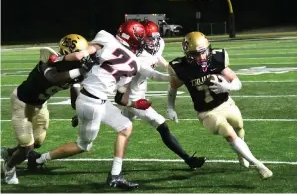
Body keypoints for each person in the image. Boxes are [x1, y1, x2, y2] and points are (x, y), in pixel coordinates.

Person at [27, 21, 168, 190]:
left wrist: (58, 58)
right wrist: (136, 101)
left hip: (93, 99)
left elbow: (80, 55)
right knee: (83, 145)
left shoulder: (106, 37)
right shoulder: (134, 63)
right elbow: (121, 97)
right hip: (93, 103)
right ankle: (38, 159)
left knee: (125, 126)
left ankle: (115, 175)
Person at [166, 31, 273, 179]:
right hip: (206, 112)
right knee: (228, 133)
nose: (202, 57)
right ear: (187, 54)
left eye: (204, 52)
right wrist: (170, 107)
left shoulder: (216, 59)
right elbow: (173, 88)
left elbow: (237, 82)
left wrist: (227, 87)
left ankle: (241, 155)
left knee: (239, 128)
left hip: (226, 103)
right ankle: (259, 165)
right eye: (196, 54)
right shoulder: (181, 67)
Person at [1, 34, 94, 185]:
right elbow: (54, 78)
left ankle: (8, 153)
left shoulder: (75, 69)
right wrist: (79, 72)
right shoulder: (49, 60)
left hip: (40, 105)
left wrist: (79, 110)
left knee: (37, 142)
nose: (82, 59)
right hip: (22, 103)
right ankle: (9, 167)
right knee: (27, 146)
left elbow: (74, 99)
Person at [119, 20, 206, 169]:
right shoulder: (135, 55)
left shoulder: (159, 44)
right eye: (148, 38)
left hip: (139, 89)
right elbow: (151, 74)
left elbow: (158, 58)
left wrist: (171, 69)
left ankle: (90, 113)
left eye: (155, 38)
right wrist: (171, 77)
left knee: (121, 125)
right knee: (162, 126)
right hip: (133, 97)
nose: (153, 42)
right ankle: (188, 159)